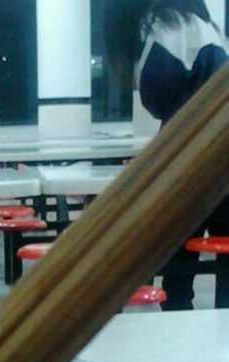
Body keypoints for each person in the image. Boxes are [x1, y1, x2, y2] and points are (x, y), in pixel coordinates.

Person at [105, 0, 228, 310]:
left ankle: (180, 329)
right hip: (222, 156)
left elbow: (156, 91)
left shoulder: (166, 24)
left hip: (188, 160)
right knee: (226, 261)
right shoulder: (209, 28)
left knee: (178, 267)